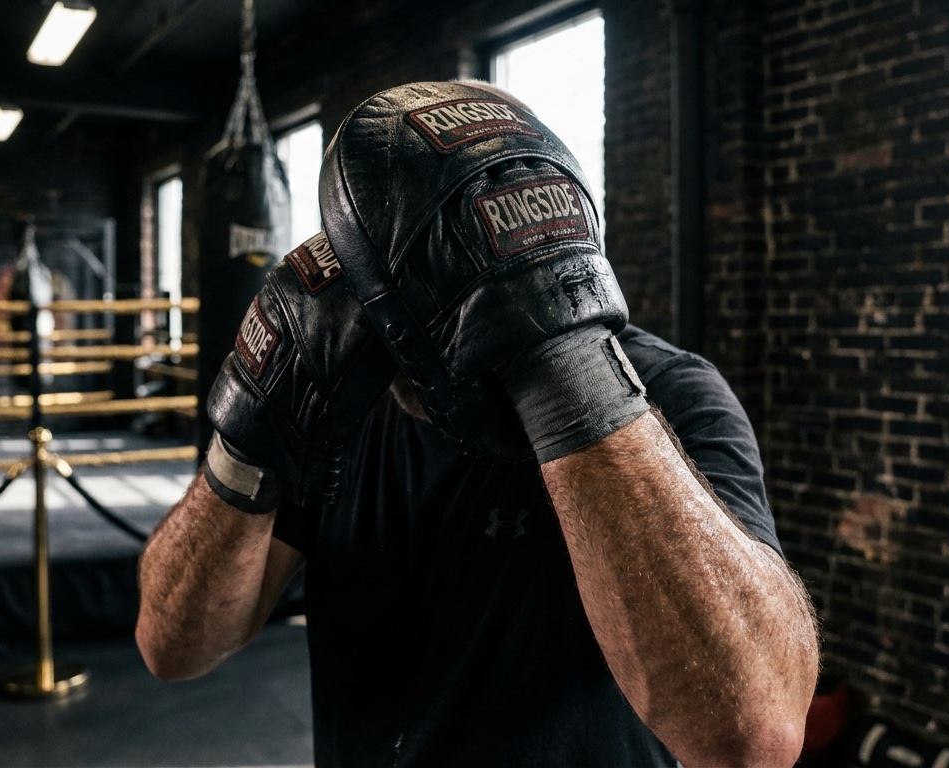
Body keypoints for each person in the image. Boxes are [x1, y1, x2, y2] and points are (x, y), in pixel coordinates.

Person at [137, 82, 820, 767]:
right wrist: (249, 437)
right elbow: (172, 644)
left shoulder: (672, 395)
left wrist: (568, 366)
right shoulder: (348, 398)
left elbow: (752, 740)